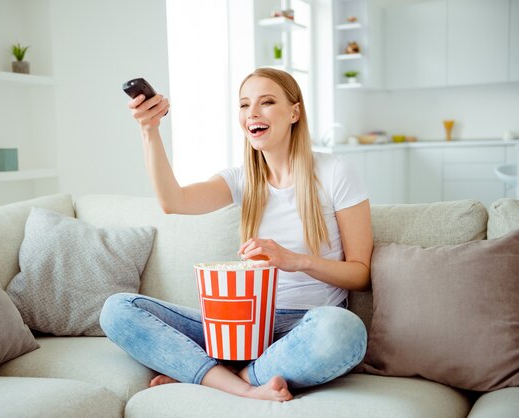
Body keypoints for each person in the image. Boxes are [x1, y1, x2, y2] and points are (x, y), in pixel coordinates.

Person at [100, 67, 373, 402]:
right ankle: (244, 385)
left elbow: (360, 274)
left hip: (306, 325)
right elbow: (173, 202)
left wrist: (294, 260)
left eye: (267, 102)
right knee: (118, 309)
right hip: (240, 324)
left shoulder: (334, 173)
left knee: (344, 331)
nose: (252, 113)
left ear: (294, 112)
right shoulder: (240, 179)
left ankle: (226, 374)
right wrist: (149, 130)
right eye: (244, 105)